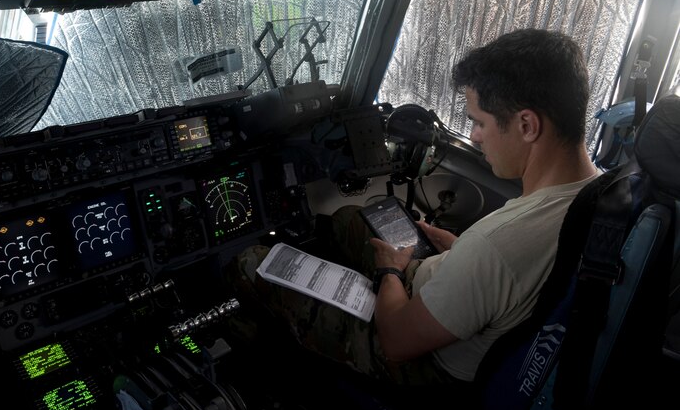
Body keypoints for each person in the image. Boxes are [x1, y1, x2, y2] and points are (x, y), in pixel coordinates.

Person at [230, 28, 599, 387]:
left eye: (479, 122)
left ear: (527, 125)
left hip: (423, 360)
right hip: (448, 290)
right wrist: (461, 251)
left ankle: (274, 363)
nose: (473, 136)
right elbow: (516, 275)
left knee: (252, 262)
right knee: (348, 220)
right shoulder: (596, 193)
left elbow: (396, 342)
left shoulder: (498, 246)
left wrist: (388, 272)